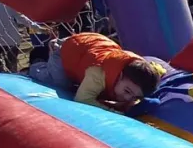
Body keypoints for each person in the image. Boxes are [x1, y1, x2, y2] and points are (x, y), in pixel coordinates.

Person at [28, 32, 160, 110]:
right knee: (61, 83)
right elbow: (82, 99)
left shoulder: (130, 69)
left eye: (135, 97)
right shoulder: (98, 73)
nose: (128, 99)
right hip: (66, 51)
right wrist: (115, 111)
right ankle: (37, 62)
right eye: (127, 91)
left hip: (91, 46)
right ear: (119, 76)